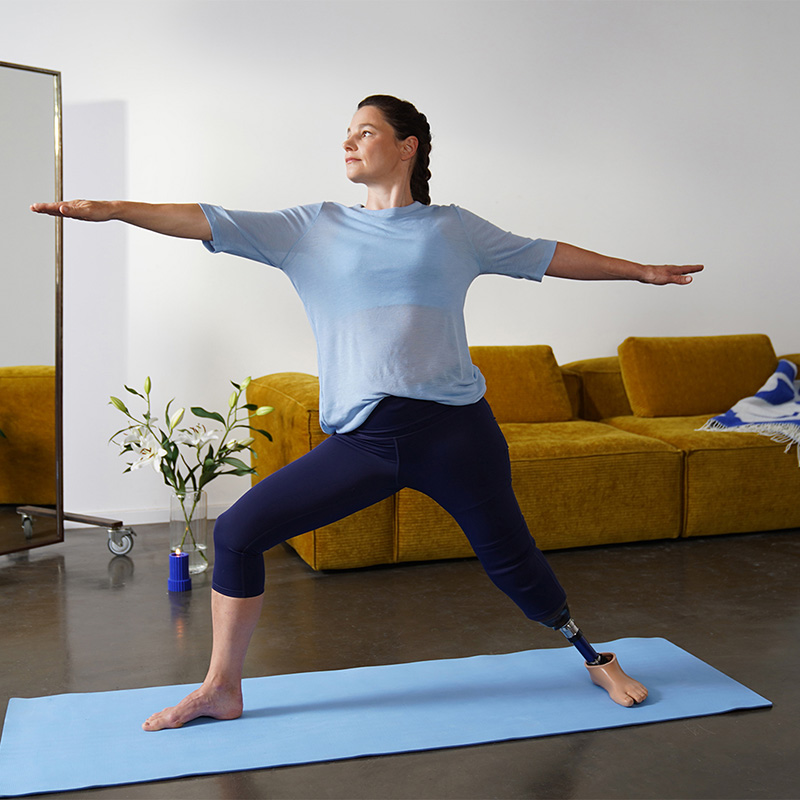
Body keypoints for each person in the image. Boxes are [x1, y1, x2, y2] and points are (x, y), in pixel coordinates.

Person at [32, 94, 703, 730]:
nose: (349, 141)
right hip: (365, 440)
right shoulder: (310, 228)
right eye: (346, 133)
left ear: (407, 146)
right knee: (237, 532)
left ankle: (594, 657)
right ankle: (221, 688)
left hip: (456, 432)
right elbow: (204, 218)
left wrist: (640, 271)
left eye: (366, 131)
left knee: (515, 565)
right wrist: (116, 208)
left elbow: (546, 256)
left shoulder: (453, 229)